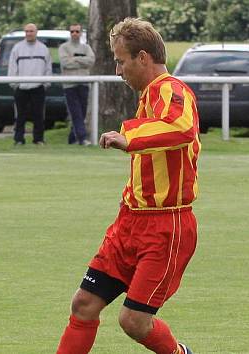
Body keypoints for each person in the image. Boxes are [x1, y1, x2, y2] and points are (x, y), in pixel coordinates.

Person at [55, 18, 199, 354]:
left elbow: (182, 128)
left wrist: (128, 137)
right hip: (130, 221)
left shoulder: (171, 89)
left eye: (121, 61)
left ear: (143, 57)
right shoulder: (149, 96)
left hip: (167, 224)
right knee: (84, 304)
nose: (118, 70)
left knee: (133, 321)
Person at [7, 23, 52, 145]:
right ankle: (19, 139)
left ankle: (38, 139)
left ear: (36, 32)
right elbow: (12, 67)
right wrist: (14, 84)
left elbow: (48, 68)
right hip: (21, 87)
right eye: (27, 31)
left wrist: (45, 84)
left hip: (38, 87)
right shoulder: (17, 48)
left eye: (31, 31)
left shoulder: (43, 48)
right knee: (20, 116)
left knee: (38, 115)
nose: (29, 33)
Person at [58, 23, 95, 146]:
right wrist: (81, 60)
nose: (75, 33)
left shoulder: (86, 47)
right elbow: (65, 63)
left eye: (77, 31)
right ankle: (82, 139)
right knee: (76, 112)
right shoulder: (63, 47)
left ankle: (72, 139)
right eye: (72, 31)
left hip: (84, 83)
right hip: (69, 85)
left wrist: (74, 58)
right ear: (70, 33)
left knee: (82, 112)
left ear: (80, 33)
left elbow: (91, 61)